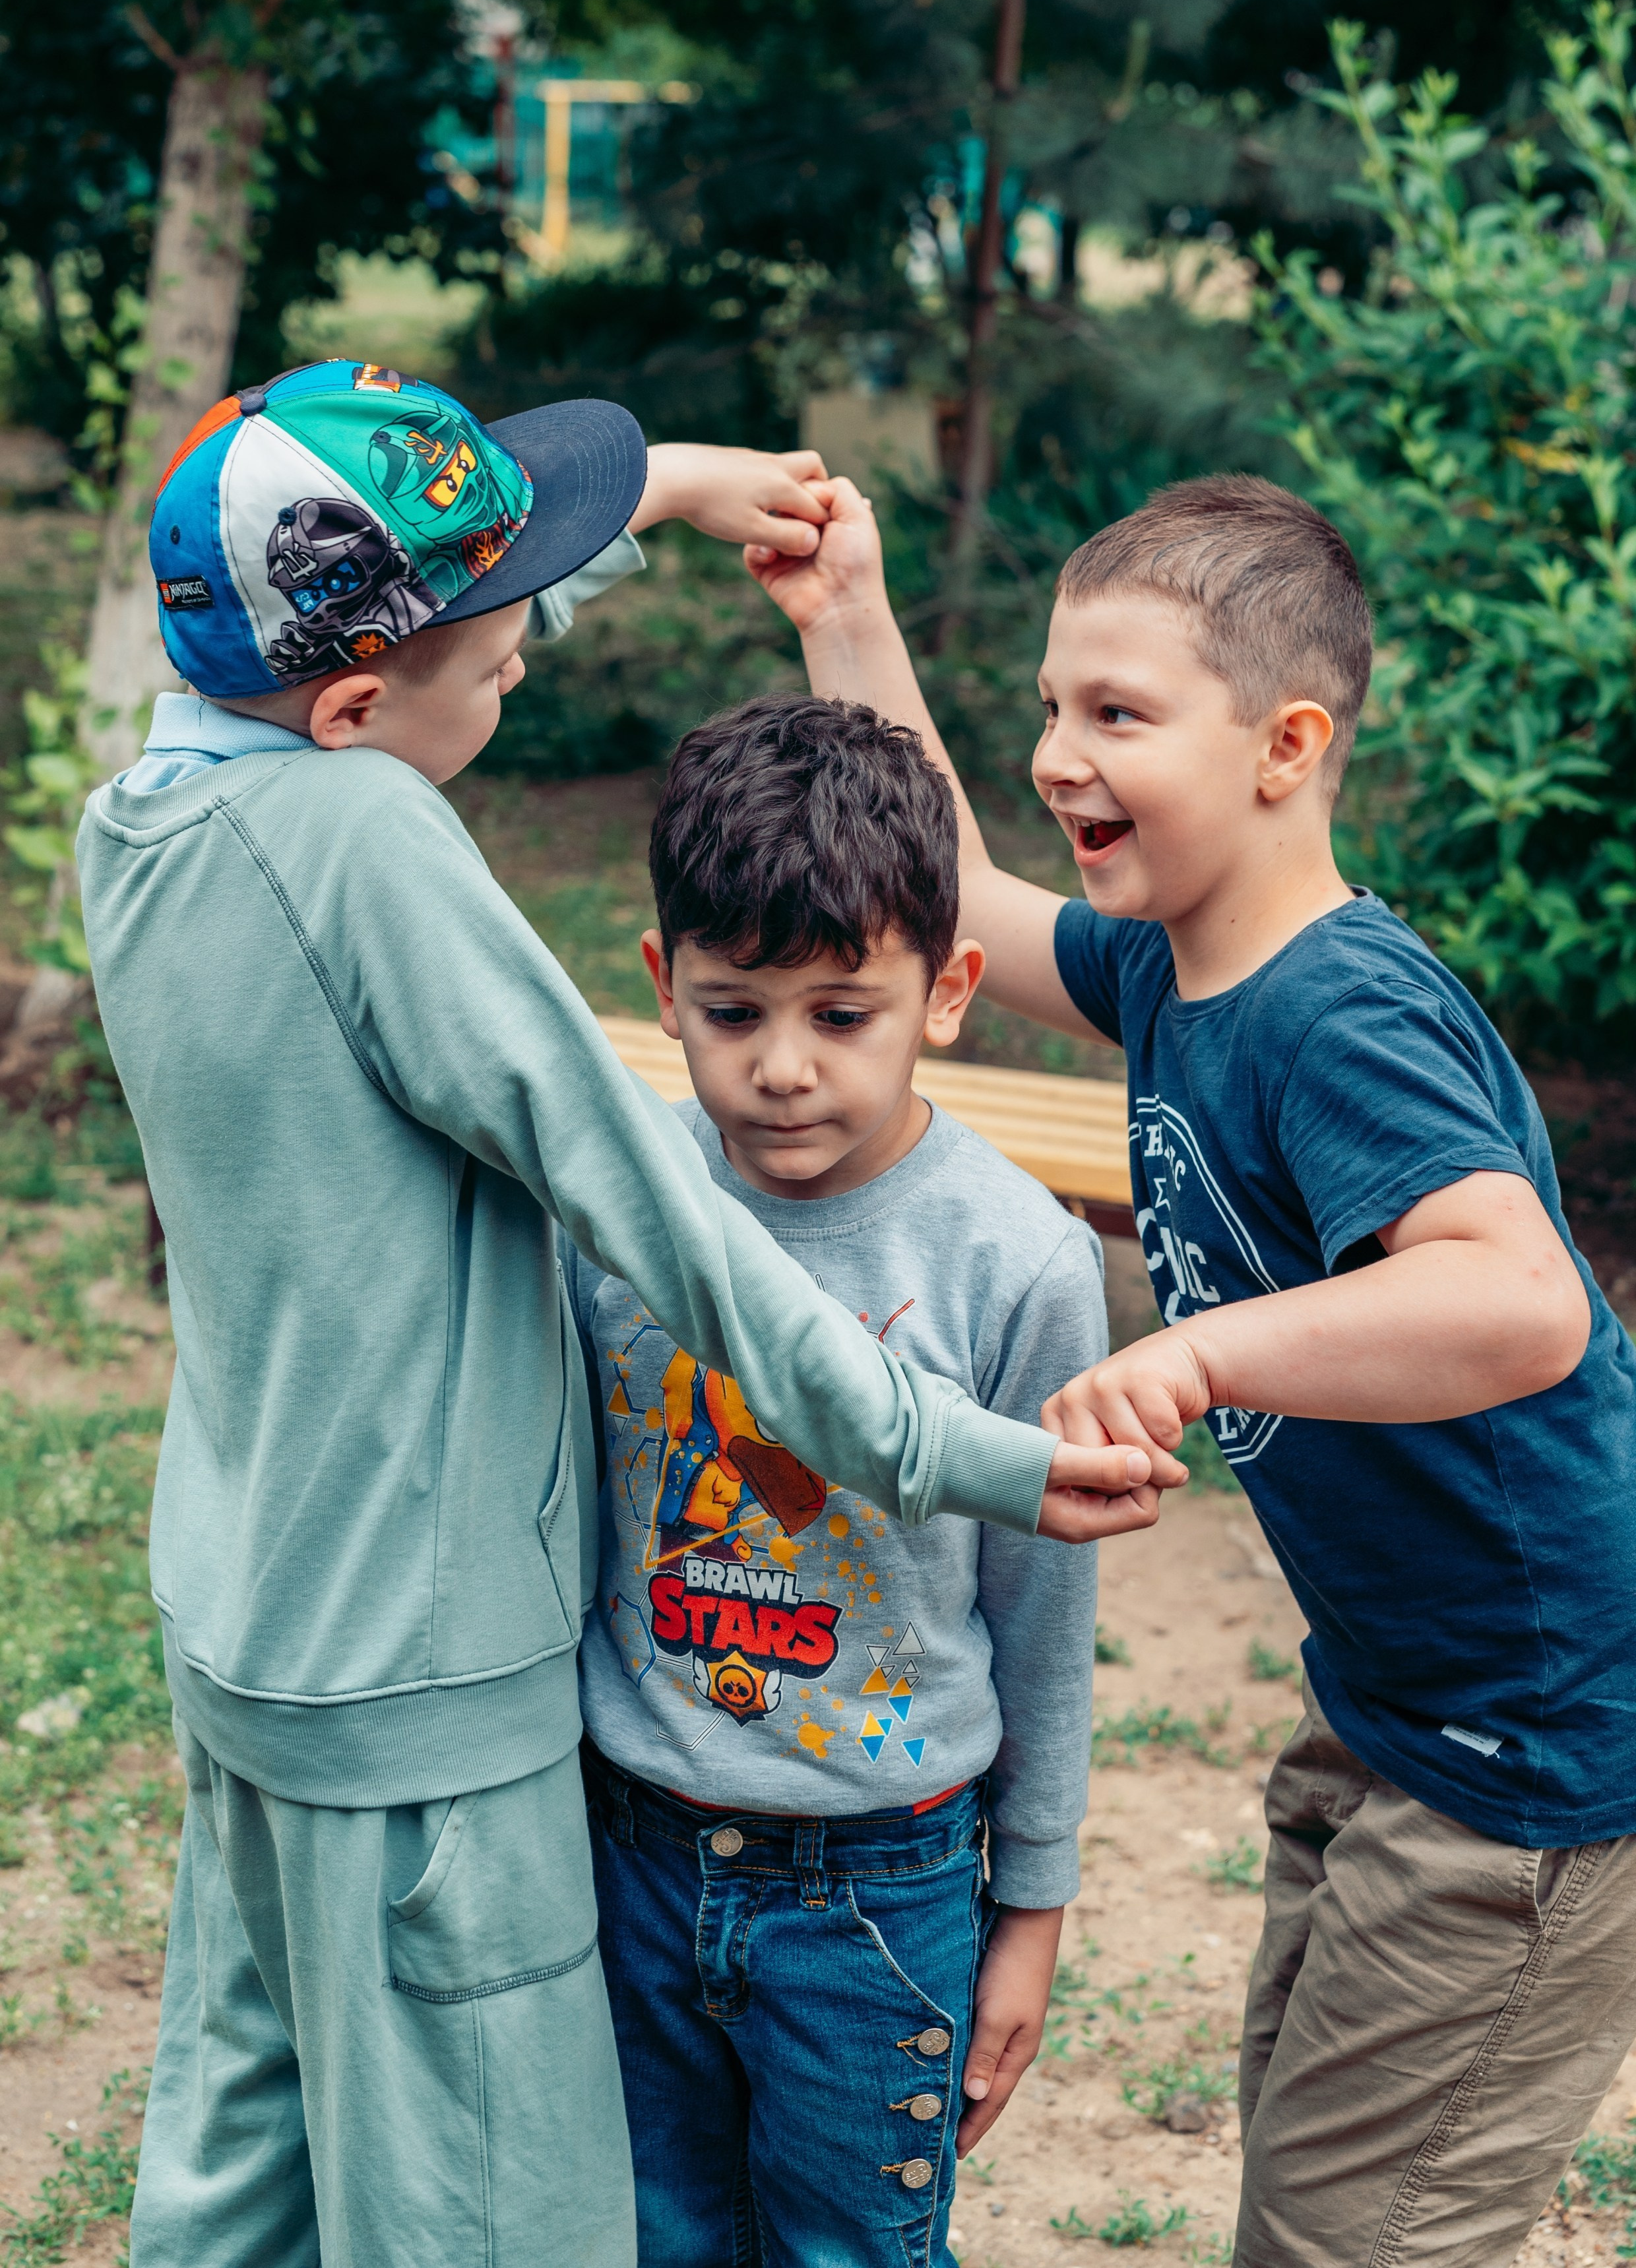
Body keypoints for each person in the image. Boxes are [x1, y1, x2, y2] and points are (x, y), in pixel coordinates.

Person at [80, 363, 1168, 2268]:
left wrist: (665, 487)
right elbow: (657, 1203)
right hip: (421, 1682)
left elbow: (407, 641)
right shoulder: (367, 846)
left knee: (240, 2182)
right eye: (502, 662)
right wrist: (962, 1450)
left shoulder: (153, 809)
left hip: (251, 1629)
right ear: (352, 711)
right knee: (489, 2221)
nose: (523, 675)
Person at [747, 470, 1636, 2268]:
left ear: (1286, 743)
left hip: (1523, 1748)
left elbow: (1523, 1300)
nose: (1062, 752)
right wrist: (848, 608)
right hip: (1401, 1704)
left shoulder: (1336, 1009)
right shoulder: (1176, 966)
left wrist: (1201, 1347)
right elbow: (959, 889)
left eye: (1120, 714)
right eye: (1056, 707)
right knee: (1315, 2195)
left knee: (1354, 2239)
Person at [565, 693, 1115, 2267]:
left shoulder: (1019, 1260)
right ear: (665, 986)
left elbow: (1042, 1612)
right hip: (629, 1853)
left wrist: (1034, 1907)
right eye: (734, 1011)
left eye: (840, 1013)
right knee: (651, 2238)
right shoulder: (618, 1202)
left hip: (881, 1886)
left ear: (945, 992)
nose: (783, 1070)